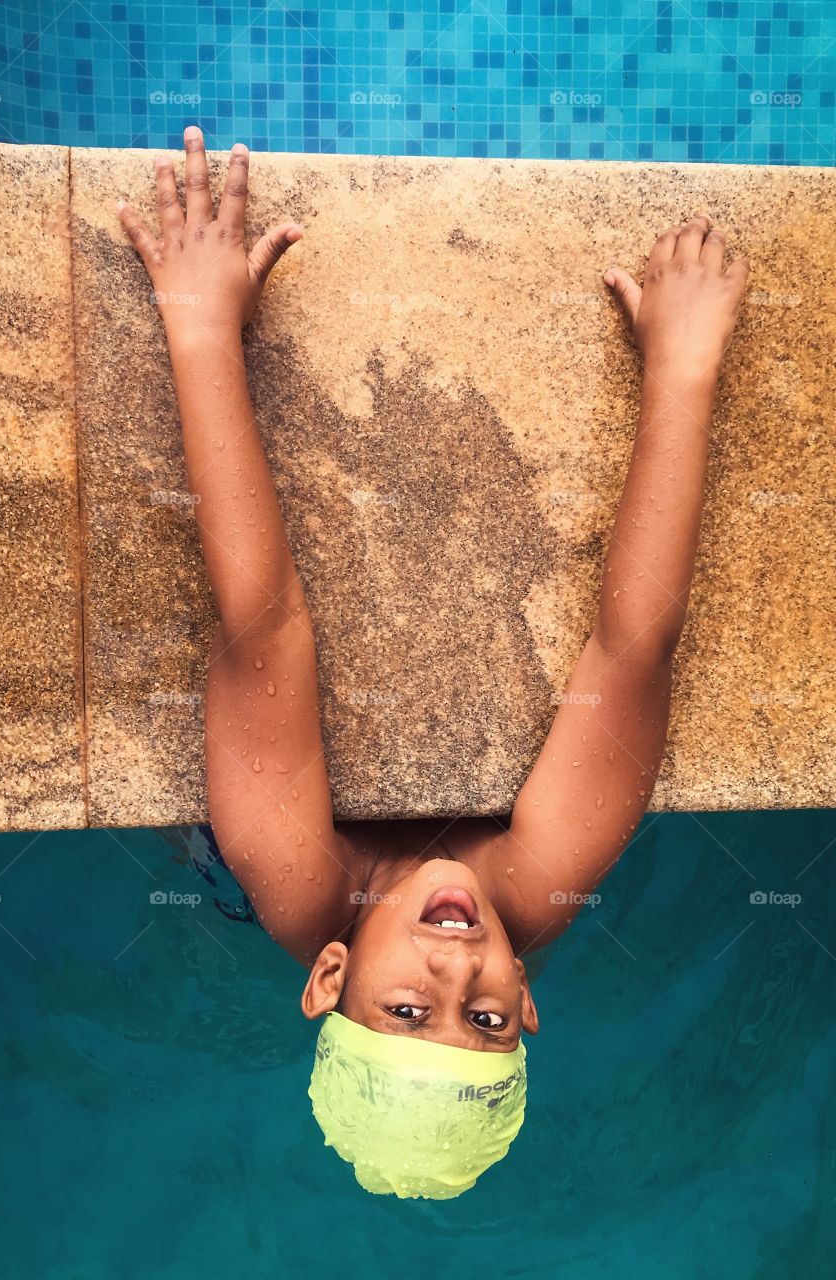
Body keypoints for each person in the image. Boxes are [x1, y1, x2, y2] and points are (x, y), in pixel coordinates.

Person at [117, 127, 749, 1198]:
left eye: (407, 1009)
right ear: (529, 1006)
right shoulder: (543, 885)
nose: (456, 968)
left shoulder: (295, 886)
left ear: (332, 973)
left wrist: (200, 325)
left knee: (198, 819)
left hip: (227, 850)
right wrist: (684, 369)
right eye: (488, 1013)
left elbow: (263, 625)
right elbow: (630, 644)